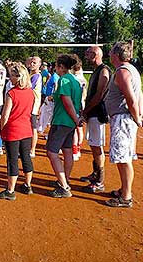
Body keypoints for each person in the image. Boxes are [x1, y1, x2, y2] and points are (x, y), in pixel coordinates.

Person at [105, 42, 143, 208]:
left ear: (116, 55)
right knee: (123, 157)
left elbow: (131, 98)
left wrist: (137, 117)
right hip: (125, 118)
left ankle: (126, 197)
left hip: (123, 119)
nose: (109, 54)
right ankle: (124, 190)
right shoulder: (130, 70)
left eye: (111, 52)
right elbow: (140, 95)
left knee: (123, 158)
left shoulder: (123, 72)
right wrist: (139, 114)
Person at [0, 62, 35, 200]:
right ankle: (27, 185)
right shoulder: (31, 93)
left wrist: (1, 128)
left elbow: (5, 115)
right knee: (26, 158)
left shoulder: (11, 93)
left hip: (13, 130)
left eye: (11, 75)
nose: (9, 78)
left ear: (18, 77)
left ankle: (10, 191)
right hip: (26, 130)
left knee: (12, 160)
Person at [46, 54, 83, 198]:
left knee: (51, 152)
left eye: (56, 66)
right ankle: (64, 180)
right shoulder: (74, 80)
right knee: (67, 151)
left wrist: (75, 119)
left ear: (61, 67)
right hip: (69, 123)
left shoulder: (63, 80)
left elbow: (67, 101)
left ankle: (64, 186)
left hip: (62, 121)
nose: (55, 68)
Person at [80, 46, 111, 193]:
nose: (86, 57)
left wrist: (86, 110)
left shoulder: (104, 70)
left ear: (95, 54)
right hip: (93, 113)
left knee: (97, 146)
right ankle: (95, 173)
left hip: (98, 113)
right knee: (93, 144)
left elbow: (99, 95)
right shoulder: (97, 70)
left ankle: (100, 181)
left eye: (88, 54)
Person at [37, 66, 59, 138]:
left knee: (47, 116)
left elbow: (56, 86)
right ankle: (41, 128)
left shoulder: (55, 76)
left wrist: (53, 96)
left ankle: (46, 131)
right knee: (43, 112)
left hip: (50, 99)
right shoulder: (54, 76)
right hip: (48, 98)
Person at [72, 61, 87, 161]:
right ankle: (78, 149)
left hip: (75, 105)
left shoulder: (73, 79)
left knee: (74, 129)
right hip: (82, 104)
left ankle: (75, 151)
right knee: (80, 128)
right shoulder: (83, 79)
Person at [29, 56, 42, 158]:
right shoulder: (31, 75)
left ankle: (32, 150)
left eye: (34, 63)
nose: (32, 64)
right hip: (29, 105)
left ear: (39, 65)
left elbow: (27, 87)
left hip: (33, 106)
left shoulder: (36, 76)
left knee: (33, 128)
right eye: (31, 62)